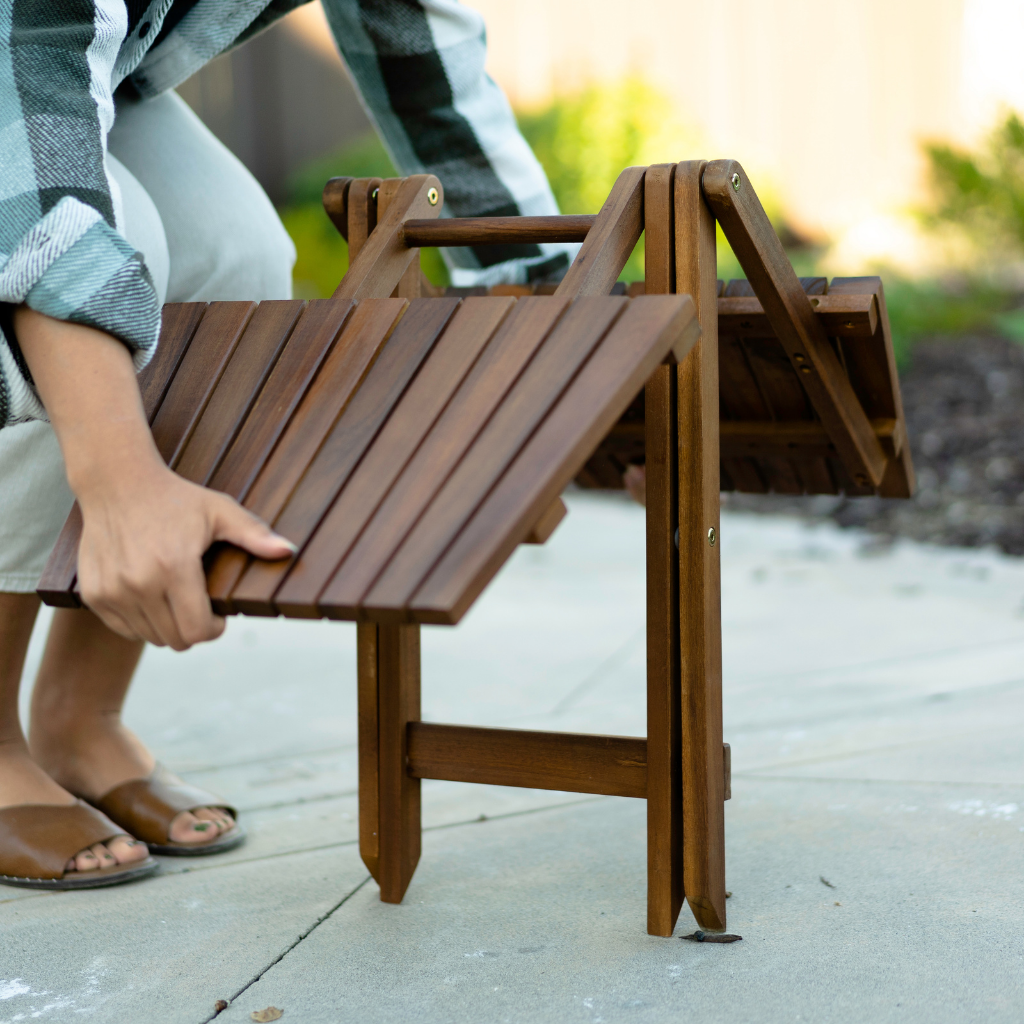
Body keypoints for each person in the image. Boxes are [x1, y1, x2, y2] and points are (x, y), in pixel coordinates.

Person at [0, 0, 574, 890]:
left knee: (238, 260)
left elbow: (427, 72)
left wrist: (559, 372)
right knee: (97, 256)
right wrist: (120, 482)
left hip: (85, 68)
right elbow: (30, 170)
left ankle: (79, 714)